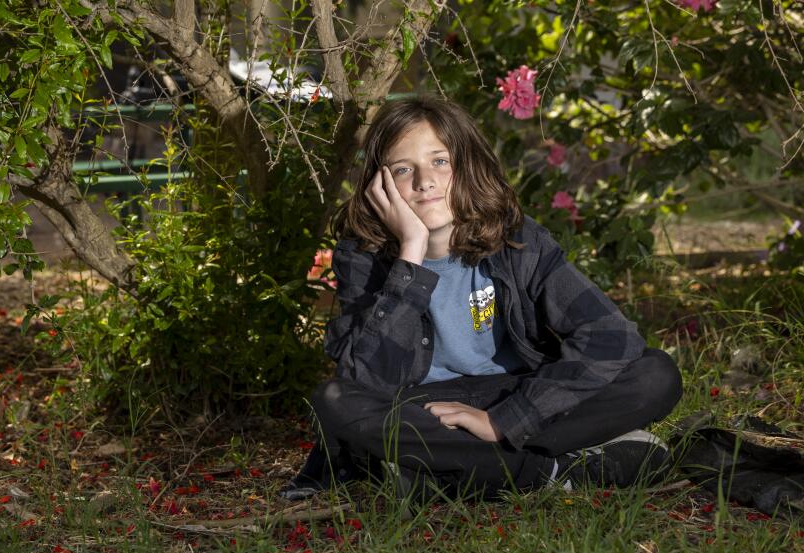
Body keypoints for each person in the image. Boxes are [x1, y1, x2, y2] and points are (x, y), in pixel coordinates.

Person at [280, 97, 683, 502]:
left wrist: (506, 420)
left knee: (655, 374)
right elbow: (365, 380)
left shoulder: (518, 240)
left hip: (513, 393)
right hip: (425, 409)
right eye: (403, 170)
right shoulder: (362, 254)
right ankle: (554, 470)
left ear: (467, 165)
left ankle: (446, 471)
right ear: (381, 185)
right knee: (335, 402)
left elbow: (610, 335)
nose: (425, 181)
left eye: (440, 161)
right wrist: (411, 254)